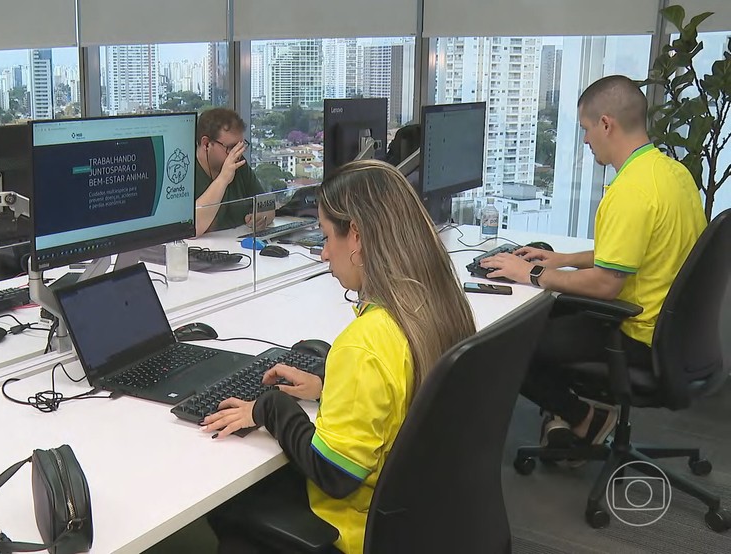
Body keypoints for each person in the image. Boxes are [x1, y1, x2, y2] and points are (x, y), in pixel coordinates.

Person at [201, 159, 476, 553]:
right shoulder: (437, 303)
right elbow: (401, 394)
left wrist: (270, 407)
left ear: (358, 237)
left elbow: (335, 474)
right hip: (425, 520)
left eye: (328, 237)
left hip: (356, 529)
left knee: (230, 502)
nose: (324, 253)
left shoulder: (364, 343)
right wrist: (329, 387)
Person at [480, 75, 706, 449]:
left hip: (636, 331)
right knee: (547, 315)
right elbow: (640, 253)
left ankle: (587, 418)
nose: (585, 140)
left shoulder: (630, 192)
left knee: (508, 344)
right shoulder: (671, 173)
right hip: (671, 328)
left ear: (606, 124)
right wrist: (563, 259)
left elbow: (606, 284)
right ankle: (562, 419)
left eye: (586, 129)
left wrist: (533, 273)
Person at [194, 108, 275, 237]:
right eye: (231, 148)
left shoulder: (239, 164)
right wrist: (223, 179)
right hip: (200, 251)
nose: (237, 154)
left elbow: (267, 206)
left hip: (239, 246)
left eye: (240, 146)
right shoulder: (186, 170)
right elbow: (192, 228)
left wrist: (262, 217)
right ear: (206, 144)